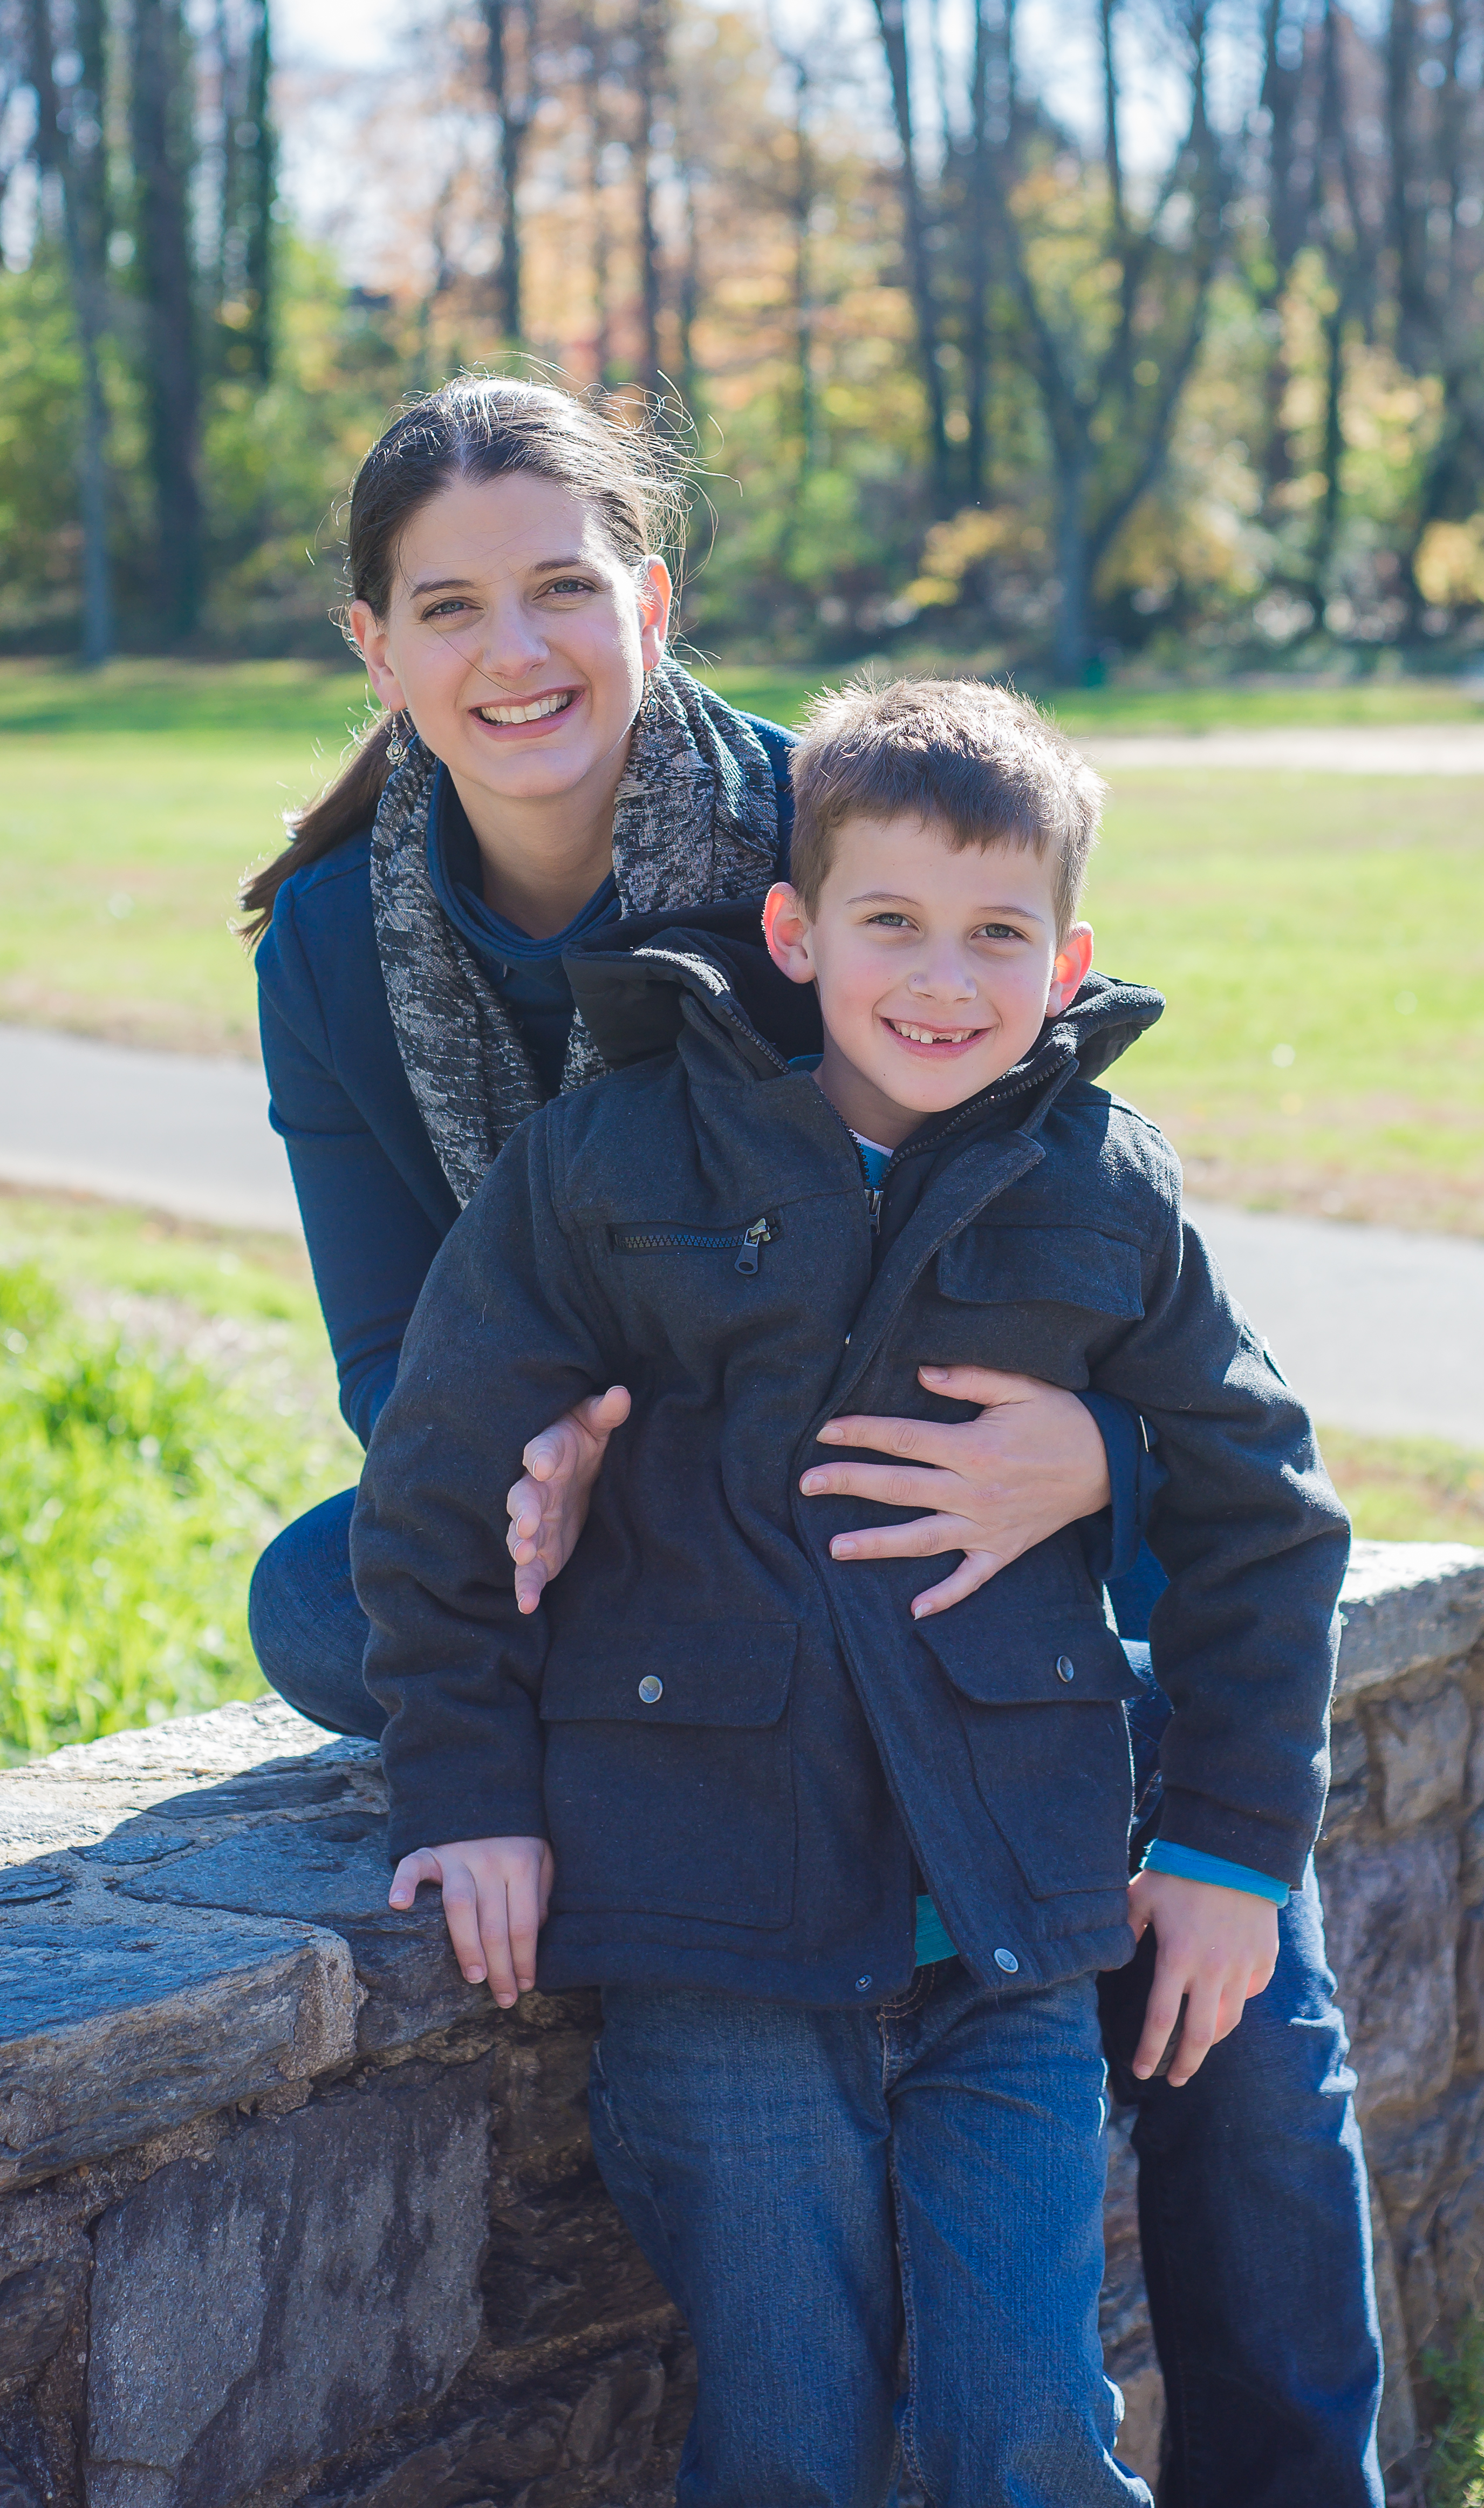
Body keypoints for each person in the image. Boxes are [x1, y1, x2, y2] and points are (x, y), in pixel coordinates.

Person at [243, 377, 1383, 2506]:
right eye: (451, 606)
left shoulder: (823, 833)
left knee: (1192, 1866)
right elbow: (400, 1350)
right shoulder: (330, 937)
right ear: (373, 647)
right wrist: (543, 1455)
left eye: (564, 589)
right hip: (631, 1492)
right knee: (319, 1592)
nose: (519, 655)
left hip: (969, 1489)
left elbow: (1067, 1220)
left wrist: (1099, 1472)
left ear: (649, 601)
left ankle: (1291, 2467)